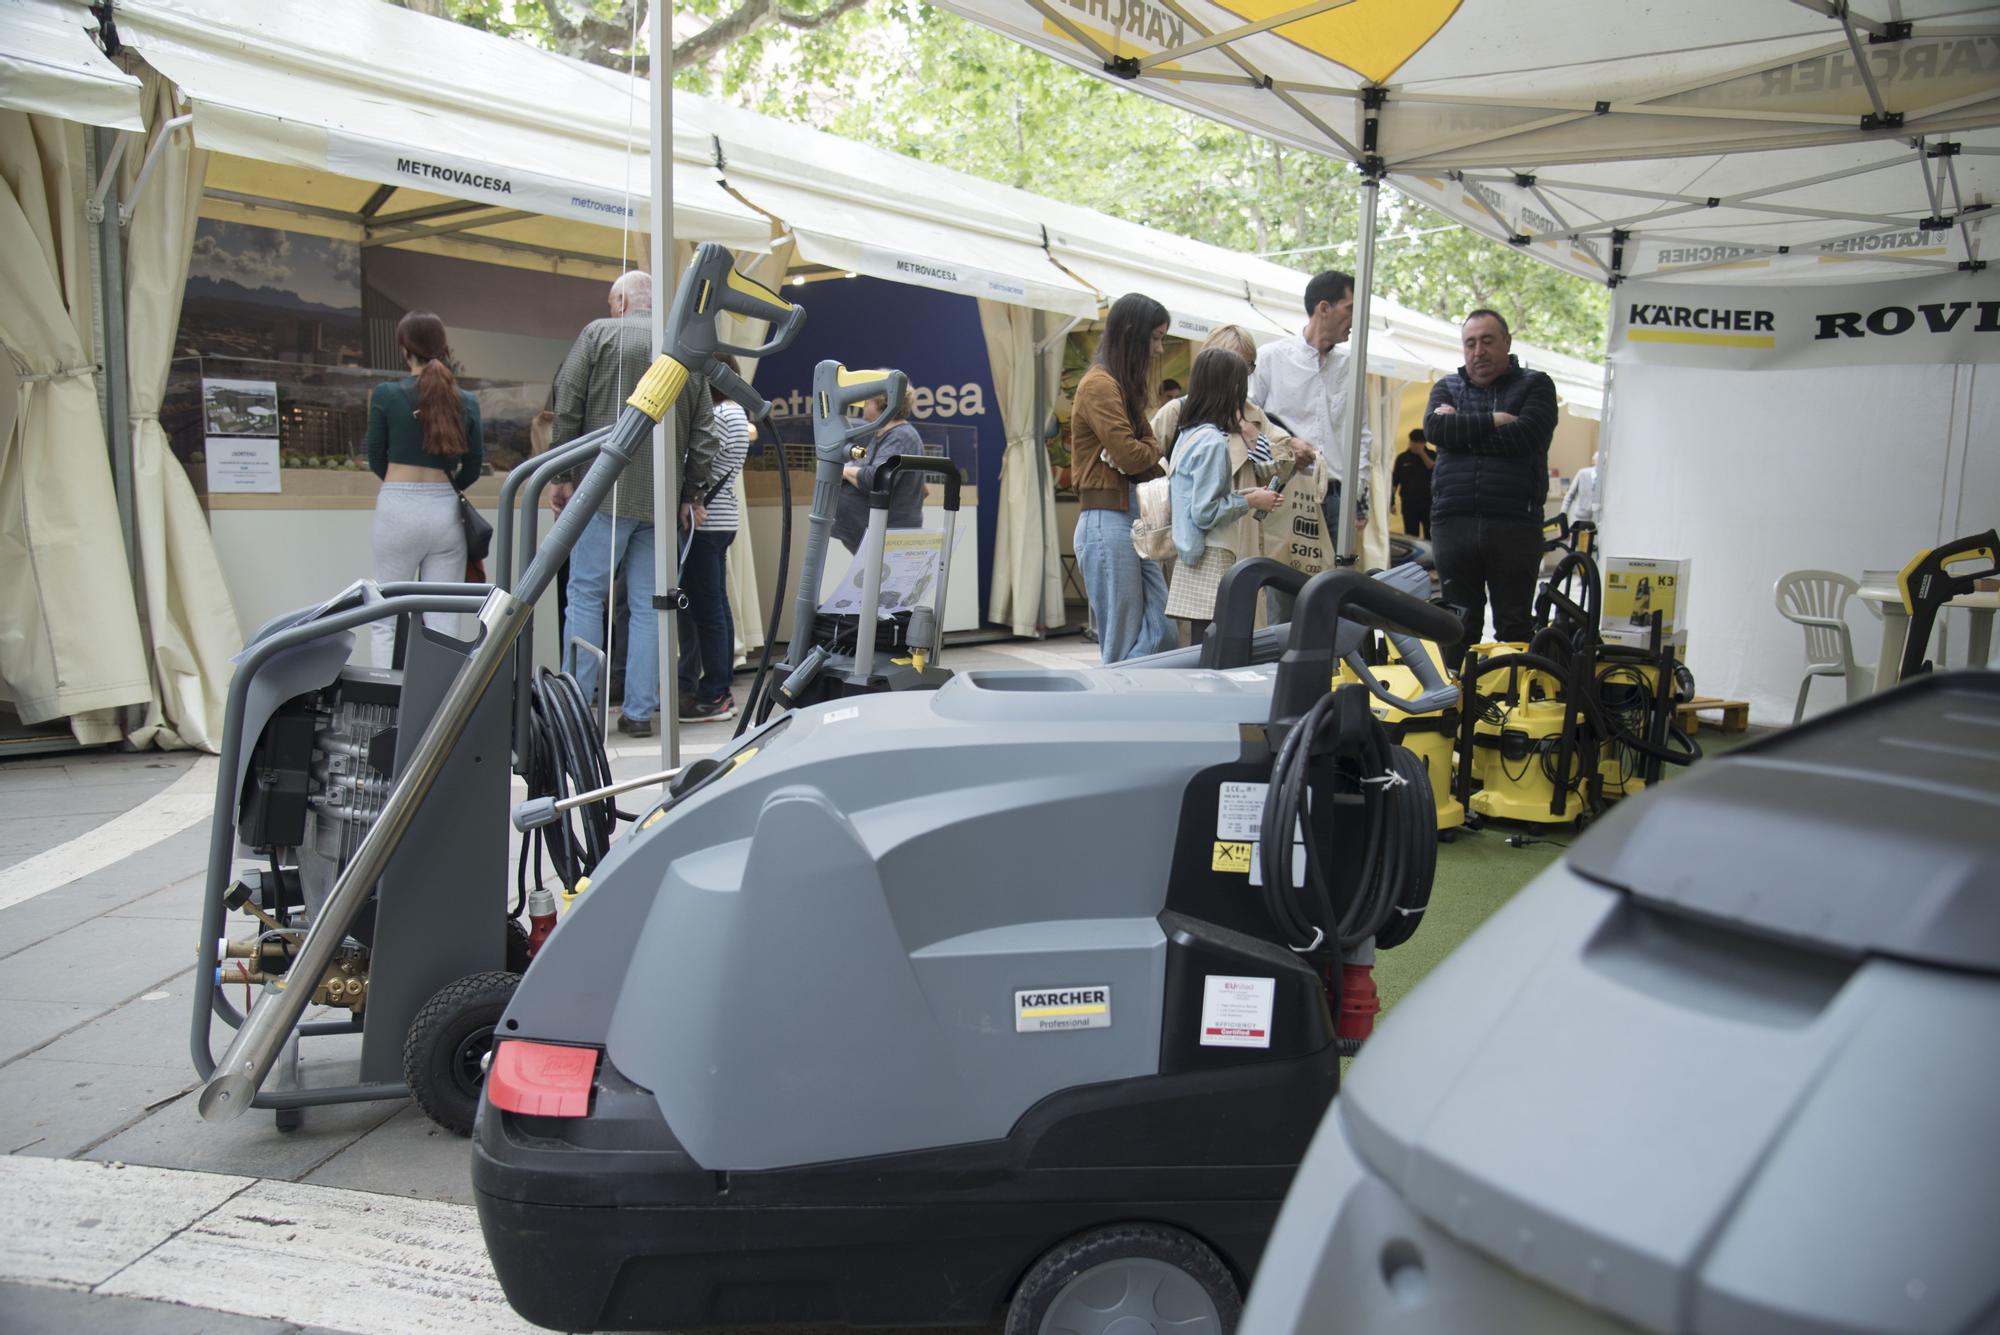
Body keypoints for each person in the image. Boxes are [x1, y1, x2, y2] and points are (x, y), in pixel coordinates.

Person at [549, 270, 717, 738]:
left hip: (603, 489)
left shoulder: (598, 334)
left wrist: (562, 475)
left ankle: (579, 707)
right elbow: (704, 433)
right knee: (649, 606)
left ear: (622, 300)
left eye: (611, 300)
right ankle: (640, 713)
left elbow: (567, 405)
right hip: (662, 503)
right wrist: (691, 493)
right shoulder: (684, 350)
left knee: (585, 595)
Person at [1424, 308, 1560, 647]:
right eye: (1470, 343)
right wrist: (1495, 419)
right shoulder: (1447, 387)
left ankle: (1511, 697)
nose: (1478, 351)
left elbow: (1526, 436)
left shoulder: (1536, 385)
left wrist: (1462, 428)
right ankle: (1456, 698)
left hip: (1514, 524)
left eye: (1487, 341)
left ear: (1507, 343)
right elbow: (1436, 428)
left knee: (1514, 627)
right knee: (1456, 628)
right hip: (1453, 524)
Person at [364, 311, 483, 669]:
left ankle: (385, 704)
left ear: (405, 348)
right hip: (445, 514)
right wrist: (447, 491)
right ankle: (442, 711)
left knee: (385, 617)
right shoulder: (466, 400)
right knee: (443, 619)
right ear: (443, 347)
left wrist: (401, 484)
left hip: (398, 509)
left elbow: (374, 458)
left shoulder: (386, 394)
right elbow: (474, 465)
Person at [1071, 293, 1178, 664]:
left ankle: (1125, 691)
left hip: (1131, 521)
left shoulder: (1118, 386)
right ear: (1133, 335)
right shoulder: (1099, 385)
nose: (1159, 349)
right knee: (1121, 640)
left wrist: (1138, 449)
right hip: (1106, 522)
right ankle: (1117, 704)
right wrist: (1138, 450)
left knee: (1164, 630)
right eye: (1155, 338)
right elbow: (1134, 456)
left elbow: (1146, 452)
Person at [1152, 325, 1318, 556]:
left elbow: (1277, 474)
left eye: (1247, 367)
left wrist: (1251, 435)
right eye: (1235, 367)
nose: (1240, 378)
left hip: (1242, 534)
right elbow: (1148, 465)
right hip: (1187, 540)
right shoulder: (1177, 411)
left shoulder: (1254, 416)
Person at [1163, 348, 1281, 644]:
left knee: (1200, 644)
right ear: (1231, 389)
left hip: (1192, 552)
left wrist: (1244, 493)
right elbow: (1206, 512)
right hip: (1212, 554)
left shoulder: (1188, 435)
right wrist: (1251, 501)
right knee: (1213, 647)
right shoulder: (1214, 442)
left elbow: (1199, 499)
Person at [1249, 270, 1372, 548]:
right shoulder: (1271, 357)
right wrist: (1287, 443)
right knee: (1286, 582)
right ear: (1324, 308)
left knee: (1337, 584)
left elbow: (1362, 435)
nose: (1356, 319)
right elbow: (1245, 419)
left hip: (1338, 496)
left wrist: (1358, 496)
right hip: (1286, 489)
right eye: (1351, 309)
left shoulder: (1352, 366)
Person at [679, 362, 749, 724]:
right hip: (723, 520)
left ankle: (715, 694)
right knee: (716, 608)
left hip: (704, 524)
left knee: (707, 613)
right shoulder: (738, 413)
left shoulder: (719, 415)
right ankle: (717, 688)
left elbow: (698, 461)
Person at [832, 387, 928, 557]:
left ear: (882, 404)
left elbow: (877, 479)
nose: (863, 405)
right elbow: (864, 467)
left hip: (889, 535)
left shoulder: (900, 436)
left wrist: (844, 471)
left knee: (884, 583)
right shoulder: (884, 435)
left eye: (867, 400)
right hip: (880, 533)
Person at [1392, 428, 1435, 537]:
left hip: (1428, 503)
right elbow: (1394, 481)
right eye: (1412, 442)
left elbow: (1432, 467)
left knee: (1430, 534)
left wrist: (1422, 453)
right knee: (1410, 535)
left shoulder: (1431, 455)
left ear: (1424, 443)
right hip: (1409, 503)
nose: (1414, 445)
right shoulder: (1402, 458)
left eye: (1418, 442)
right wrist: (1391, 501)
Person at [1562, 450, 1601, 531]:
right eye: (1599, 461)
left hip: (1597, 520)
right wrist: (1563, 514)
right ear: (1593, 462)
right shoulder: (1583, 473)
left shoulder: (1605, 479)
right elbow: (1570, 495)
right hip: (1579, 518)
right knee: (1576, 541)